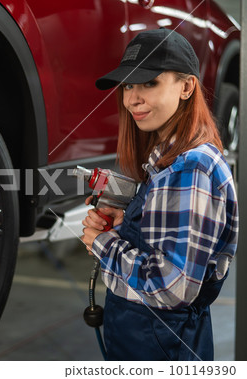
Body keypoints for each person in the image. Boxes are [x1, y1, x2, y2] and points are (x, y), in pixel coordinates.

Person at [81, 28, 238, 361]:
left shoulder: (191, 168)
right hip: (146, 336)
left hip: (163, 344)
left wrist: (102, 242)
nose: (132, 99)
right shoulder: (169, 161)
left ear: (186, 87)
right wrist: (128, 223)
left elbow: (172, 287)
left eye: (149, 83)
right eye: (128, 86)